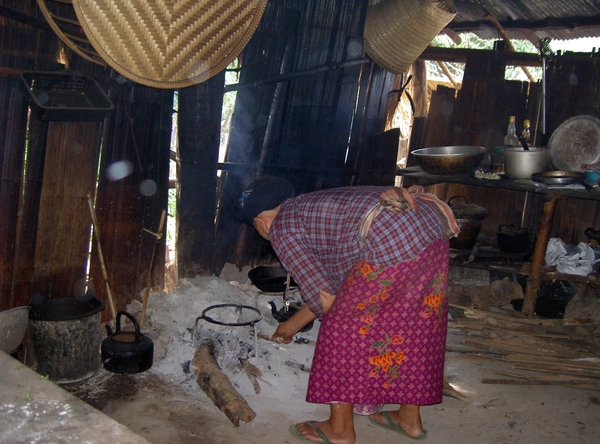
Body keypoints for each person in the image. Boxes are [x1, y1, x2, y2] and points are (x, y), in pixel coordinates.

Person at [235, 175, 459, 444]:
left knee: (341, 328)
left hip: (393, 236)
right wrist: (298, 320)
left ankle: (339, 429)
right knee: (413, 322)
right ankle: (409, 419)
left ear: (261, 222)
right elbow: (341, 282)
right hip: (430, 228)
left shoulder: (281, 227)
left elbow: (326, 299)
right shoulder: (308, 206)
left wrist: (291, 326)